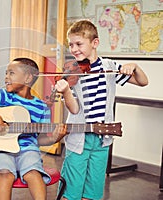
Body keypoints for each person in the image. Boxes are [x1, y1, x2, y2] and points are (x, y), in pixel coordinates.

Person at [55, 19, 148, 200]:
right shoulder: (72, 72)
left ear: (94, 43)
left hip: (102, 139)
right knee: (71, 190)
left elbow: (143, 82)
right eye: (71, 45)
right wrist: (66, 90)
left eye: (79, 44)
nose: (74, 49)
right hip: (79, 137)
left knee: (93, 190)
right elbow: (74, 109)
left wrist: (135, 67)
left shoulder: (110, 67)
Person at [0, 57, 78, 200]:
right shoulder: (3, 96)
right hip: (2, 148)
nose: (6, 77)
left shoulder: (42, 107)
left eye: (11, 73)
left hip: (28, 149)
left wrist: (55, 137)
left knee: (33, 173)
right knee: (4, 174)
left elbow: (40, 140)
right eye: (6, 73)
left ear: (27, 78)